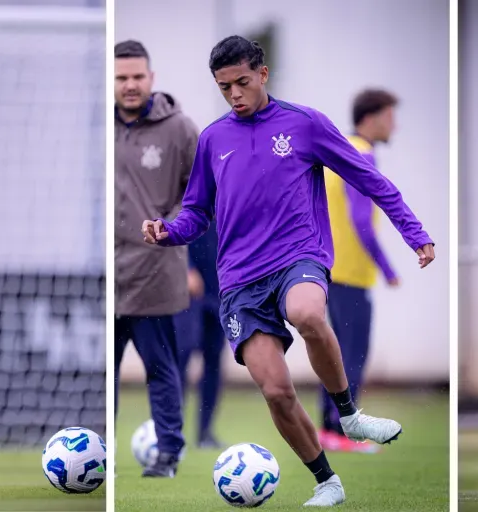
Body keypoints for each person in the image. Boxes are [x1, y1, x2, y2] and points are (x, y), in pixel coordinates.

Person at [142, 35, 436, 507]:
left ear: (262, 74)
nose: (235, 94)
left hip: (299, 256)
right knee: (276, 391)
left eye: (241, 82)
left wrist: (414, 232)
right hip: (238, 279)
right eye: (224, 88)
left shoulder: (304, 124)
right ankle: (327, 481)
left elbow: (369, 179)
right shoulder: (213, 139)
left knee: (307, 312)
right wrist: (168, 232)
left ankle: (348, 414)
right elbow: (197, 211)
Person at [113, 39, 197, 478]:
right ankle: (99, 453)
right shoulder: (101, 125)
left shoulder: (181, 129)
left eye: (137, 76)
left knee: (160, 370)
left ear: (152, 78)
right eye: (121, 77)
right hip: (109, 276)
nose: (129, 85)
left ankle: (168, 456)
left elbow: (200, 197)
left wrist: (170, 226)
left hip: (155, 272)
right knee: (104, 375)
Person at [318, 89, 401, 454]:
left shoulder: (339, 149)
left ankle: (327, 429)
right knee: (351, 356)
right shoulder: (361, 155)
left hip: (330, 270)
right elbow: (360, 219)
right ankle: (340, 431)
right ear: (371, 117)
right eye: (390, 116)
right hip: (349, 274)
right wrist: (386, 267)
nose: (394, 124)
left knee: (334, 354)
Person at [174, 222, 225, 450]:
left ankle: (205, 432)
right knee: (182, 355)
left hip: (220, 289)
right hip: (189, 292)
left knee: (213, 360)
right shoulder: (188, 192)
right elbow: (171, 225)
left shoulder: (230, 195)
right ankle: (171, 430)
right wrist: (185, 267)